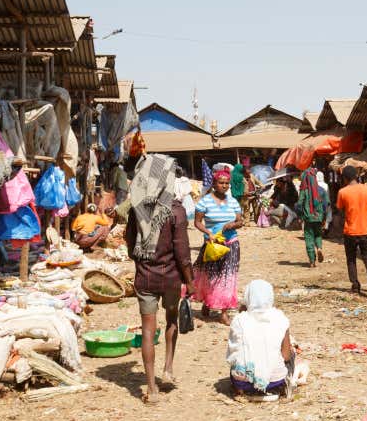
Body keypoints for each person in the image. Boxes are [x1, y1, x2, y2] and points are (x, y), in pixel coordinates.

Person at [126, 154, 193, 404]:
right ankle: (168, 368)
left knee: (147, 331)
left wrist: (141, 265)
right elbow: (182, 252)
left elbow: (129, 244)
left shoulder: (137, 209)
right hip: (171, 277)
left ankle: (151, 388)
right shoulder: (175, 211)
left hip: (145, 277)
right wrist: (191, 280)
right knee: (171, 320)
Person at [226, 279, 294, 397]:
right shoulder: (280, 318)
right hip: (274, 381)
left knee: (238, 359)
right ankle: (281, 386)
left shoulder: (239, 320)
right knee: (291, 354)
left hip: (242, 380)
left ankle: (240, 390)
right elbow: (286, 355)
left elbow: (232, 355)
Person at [193, 168, 243, 326]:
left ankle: (223, 312)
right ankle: (207, 303)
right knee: (211, 277)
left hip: (231, 244)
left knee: (227, 278)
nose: (224, 186)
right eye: (221, 183)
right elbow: (197, 222)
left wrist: (232, 224)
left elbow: (240, 221)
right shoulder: (205, 201)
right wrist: (208, 232)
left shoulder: (233, 201)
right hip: (212, 245)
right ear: (214, 184)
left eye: (227, 183)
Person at [335, 165, 367, 297]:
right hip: (366, 230)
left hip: (350, 231)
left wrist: (339, 229)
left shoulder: (342, 192)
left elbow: (340, 211)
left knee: (351, 259)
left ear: (344, 178)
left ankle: (355, 285)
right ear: (356, 176)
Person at [296, 167, 327, 267]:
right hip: (319, 217)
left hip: (308, 218)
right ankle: (319, 248)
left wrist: (300, 216)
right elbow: (326, 205)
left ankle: (312, 261)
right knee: (318, 234)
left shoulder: (303, 190)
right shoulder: (321, 190)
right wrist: (324, 217)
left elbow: (299, 204)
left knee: (309, 238)